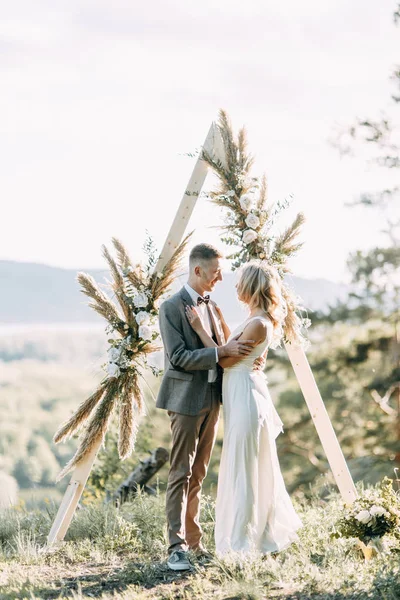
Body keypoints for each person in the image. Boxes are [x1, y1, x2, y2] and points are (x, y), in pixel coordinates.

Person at [185, 261, 302, 555]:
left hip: (246, 400)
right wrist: (224, 324)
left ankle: (241, 544)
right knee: (244, 469)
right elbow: (230, 346)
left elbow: (224, 360)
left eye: (239, 282)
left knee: (244, 472)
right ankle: (246, 538)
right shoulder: (254, 319)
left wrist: (200, 328)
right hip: (240, 396)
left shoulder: (260, 323)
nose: (235, 286)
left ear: (251, 286)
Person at [157, 243, 256, 571]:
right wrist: (221, 352)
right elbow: (179, 358)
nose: (221, 278)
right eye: (216, 273)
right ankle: (176, 548)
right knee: (180, 472)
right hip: (185, 402)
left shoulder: (212, 307)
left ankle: (195, 542)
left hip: (213, 399)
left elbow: (228, 346)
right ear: (197, 270)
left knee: (198, 473)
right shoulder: (171, 307)